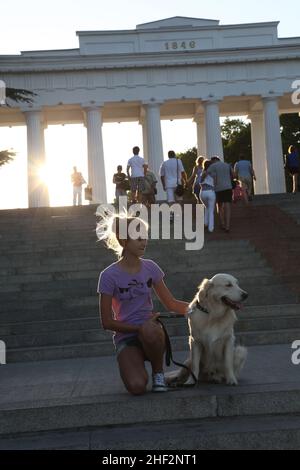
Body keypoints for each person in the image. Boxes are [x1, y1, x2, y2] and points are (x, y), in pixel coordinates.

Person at [97, 214, 189, 395]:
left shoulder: (150, 267)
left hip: (151, 332)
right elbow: (106, 322)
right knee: (137, 386)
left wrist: (202, 308)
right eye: (138, 238)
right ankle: (134, 360)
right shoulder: (108, 275)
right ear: (124, 240)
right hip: (126, 337)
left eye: (145, 236)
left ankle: (158, 373)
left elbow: (171, 303)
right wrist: (137, 329)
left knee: (149, 329)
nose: (144, 241)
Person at [207, 156, 234, 233]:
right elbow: (234, 175)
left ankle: (222, 223)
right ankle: (227, 226)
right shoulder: (227, 165)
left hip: (218, 188)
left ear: (214, 160)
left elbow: (206, 173)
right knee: (227, 206)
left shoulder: (213, 166)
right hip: (228, 187)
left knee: (220, 206)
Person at [159, 151, 187, 215]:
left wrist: (163, 185)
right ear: (174, 155)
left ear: (168, 156)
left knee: (170, 201)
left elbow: (162, 176)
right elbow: (183, 172)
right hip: (178, 183)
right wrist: (186, 181)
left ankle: (171, 215)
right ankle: (179, 214)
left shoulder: (164, 163)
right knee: (179, 200)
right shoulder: (178, 161)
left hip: (168, 184)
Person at [200, 159, 216, 233]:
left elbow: (200, 182)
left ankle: (205, 223)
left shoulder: (202, 172)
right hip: (211, 192)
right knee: (211, 210)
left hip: (202, 192)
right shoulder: (213, 173)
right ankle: (211, 228)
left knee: (207, 207)